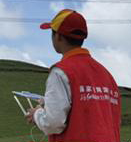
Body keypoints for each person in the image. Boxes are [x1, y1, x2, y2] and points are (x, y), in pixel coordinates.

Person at [26, 9, 121, 141]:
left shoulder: (61, 71)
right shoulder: (106, 75)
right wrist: (48, 102)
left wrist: (37, 114)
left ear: (58, 36)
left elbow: (53, 122)